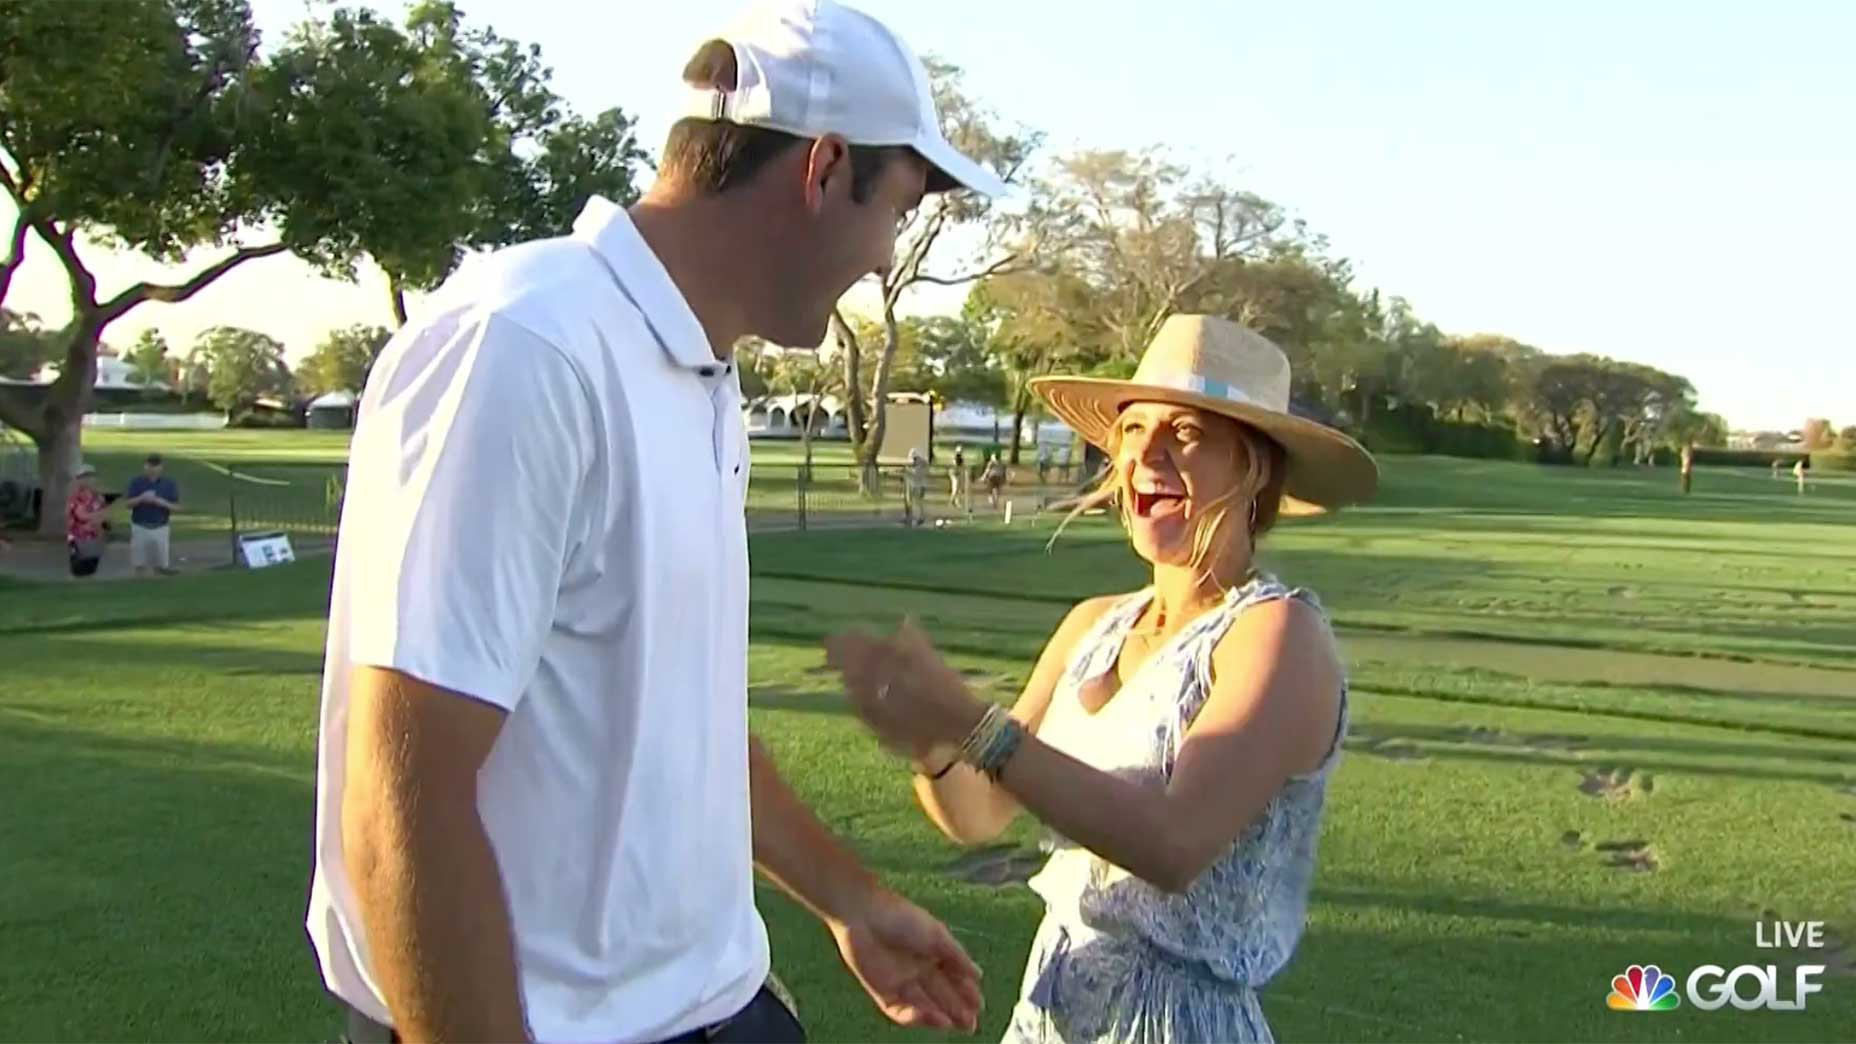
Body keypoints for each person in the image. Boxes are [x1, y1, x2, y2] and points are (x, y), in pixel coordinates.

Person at [306, 2, 1002, 1042]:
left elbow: (677, 719)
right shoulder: (528, 346)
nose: (880, 257)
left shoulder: (698, 371)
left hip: (724, 1008)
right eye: (894, 212)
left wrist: (847, 899)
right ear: (819, 168)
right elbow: (403, 796)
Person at [827, 315, 1379, 1044]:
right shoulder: (1094, 625)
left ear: (1258, 468)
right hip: (1050, 1008)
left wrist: (970, 722)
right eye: (1132, 430)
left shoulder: (1277, 635)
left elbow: (1172, 845)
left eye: (1184, 432)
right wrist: (930, 742)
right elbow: (977, 814)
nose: (1146, 453)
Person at [123, 453, 179, 577]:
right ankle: (139, 587)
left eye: (156, 466)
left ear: (161, 467)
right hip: (140, 526)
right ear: (145, 466)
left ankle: (158, 589)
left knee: (160, 565)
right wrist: (142, 498)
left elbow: (176, 507)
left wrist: (160, 502)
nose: (152, 469)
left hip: (161, 527)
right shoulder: (137, 482)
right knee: (139, 564)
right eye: (150, 465)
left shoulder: (169, 484)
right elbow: (128, 504)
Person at [65, 463, 108, 578]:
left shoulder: (98, 497)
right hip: (77, 538)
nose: (89, 479)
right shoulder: (75, 497)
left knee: (92, 569)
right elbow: (81, 515)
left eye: (91, 476)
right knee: (78, 570)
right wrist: (98, 515)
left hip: (94, 537)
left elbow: (104, 516)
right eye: (85, 477)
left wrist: (99, 522)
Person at [904, 447, 930, 526]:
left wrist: (907, 472)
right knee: (911, 501)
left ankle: (920, 517)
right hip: (914, 484)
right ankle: (911, 516)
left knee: (918, 502)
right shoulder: (918, 464)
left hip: (918, 485)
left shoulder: (922, 464)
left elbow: (917, 475)